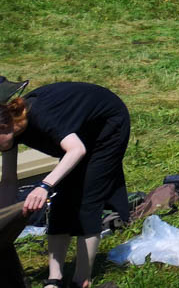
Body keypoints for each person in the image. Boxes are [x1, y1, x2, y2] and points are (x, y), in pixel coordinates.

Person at [0, 78, 131, 288]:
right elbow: (8, 181)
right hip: (76, 132)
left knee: (88, 201)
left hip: (106, 126)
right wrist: (5, 220)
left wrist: (44, 186)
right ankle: (55, 279)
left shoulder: (41, 115)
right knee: (61, 202)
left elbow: (77, 150)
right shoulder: (9, 131)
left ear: (5, 125)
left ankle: (82, 280)